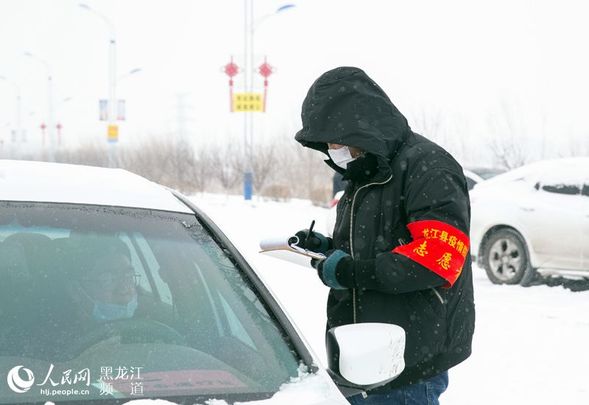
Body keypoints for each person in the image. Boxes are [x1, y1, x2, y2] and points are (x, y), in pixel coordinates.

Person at [294, 67, 475, 404]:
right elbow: (377, 243)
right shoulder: (364, 169)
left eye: (337, 139)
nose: (334, 149)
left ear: (359, 124)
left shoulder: (429, 166)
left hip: (408, 360)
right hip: (360, 353)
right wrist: (327, 248)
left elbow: (436, 259)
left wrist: (350, 271)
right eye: (328, 144)